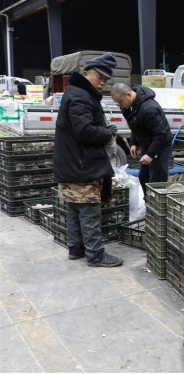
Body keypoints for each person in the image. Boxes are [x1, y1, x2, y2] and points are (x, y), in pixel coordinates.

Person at [54, 52, 123, 267]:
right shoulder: (80, 96)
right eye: (98, 77)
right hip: (82, 165)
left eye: (105, 80)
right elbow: (84, 131)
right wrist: (108, 134)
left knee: (75, 207)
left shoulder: (77, 92)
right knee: (89, 211)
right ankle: (95, 255)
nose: (102, 83)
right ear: (85, 74)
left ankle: (76, 248)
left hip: (74, 162)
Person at [111, 83, 173, 196]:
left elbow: (161, 134)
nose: (120, 105)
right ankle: (148, 204)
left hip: (160, 144)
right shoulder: (127, 106)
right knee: (144, 177)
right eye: (117, 103)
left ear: (129, 95)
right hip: (148, 143)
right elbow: (135, 125)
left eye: (120, 101)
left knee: (156, 179)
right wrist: (134, 143)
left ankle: (158, 208)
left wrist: (150, 154)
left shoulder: (148, 109)